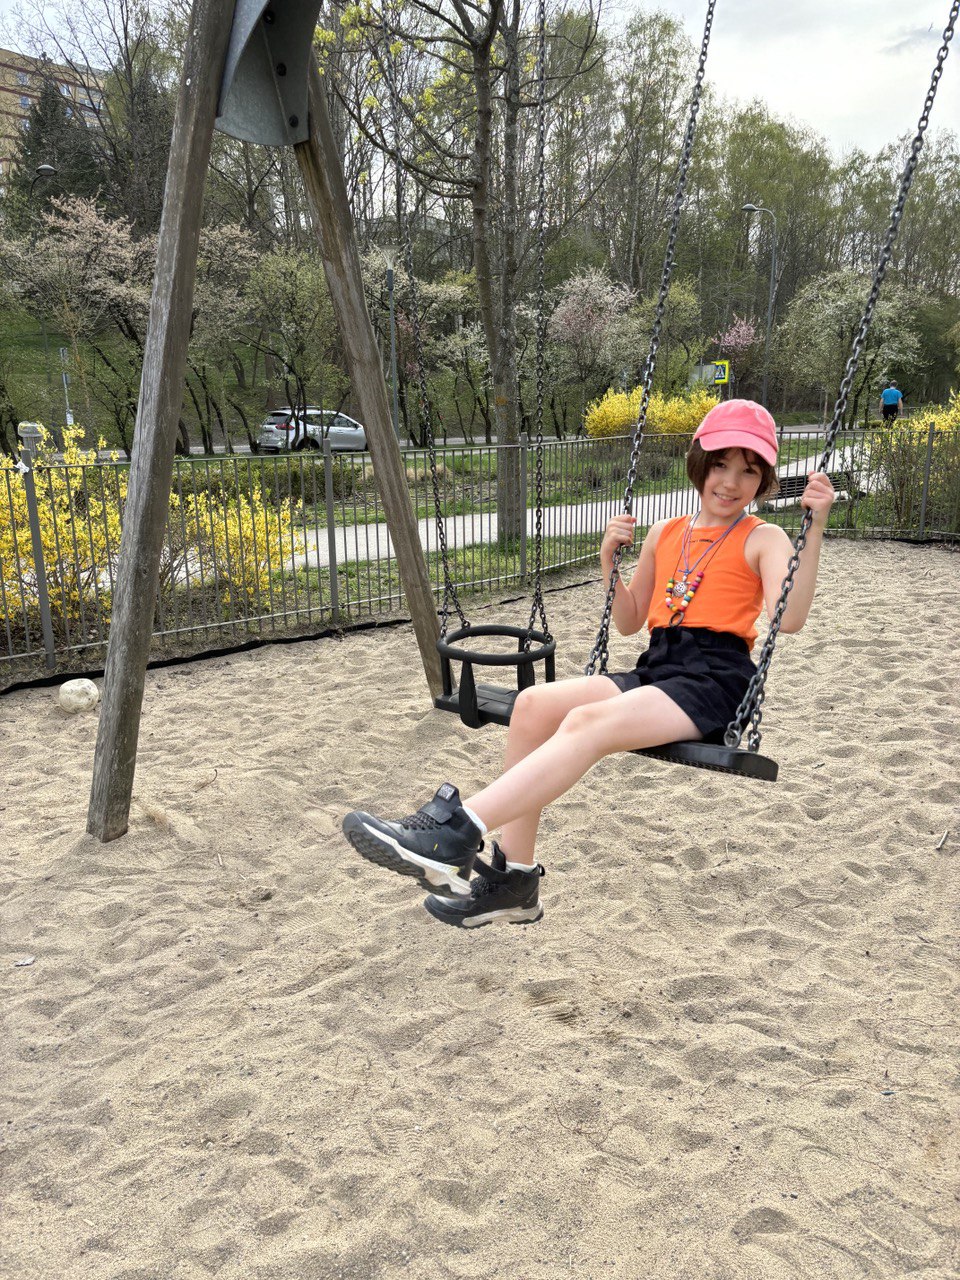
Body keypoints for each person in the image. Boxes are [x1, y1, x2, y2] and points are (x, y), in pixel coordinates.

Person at [342, 400, 836, 929]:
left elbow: (789, 618)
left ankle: (455, 831)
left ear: (763, 481)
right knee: (532, 705)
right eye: (721, 464)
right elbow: (629, 620)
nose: (731, 482)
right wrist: (609, 564)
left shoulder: (762, 537)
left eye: (749, 471)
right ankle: (514, 882)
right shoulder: (666, 533)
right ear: (700, 464)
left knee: (585, 722)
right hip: (658, 666)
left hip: (714, 681)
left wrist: (815, 529)